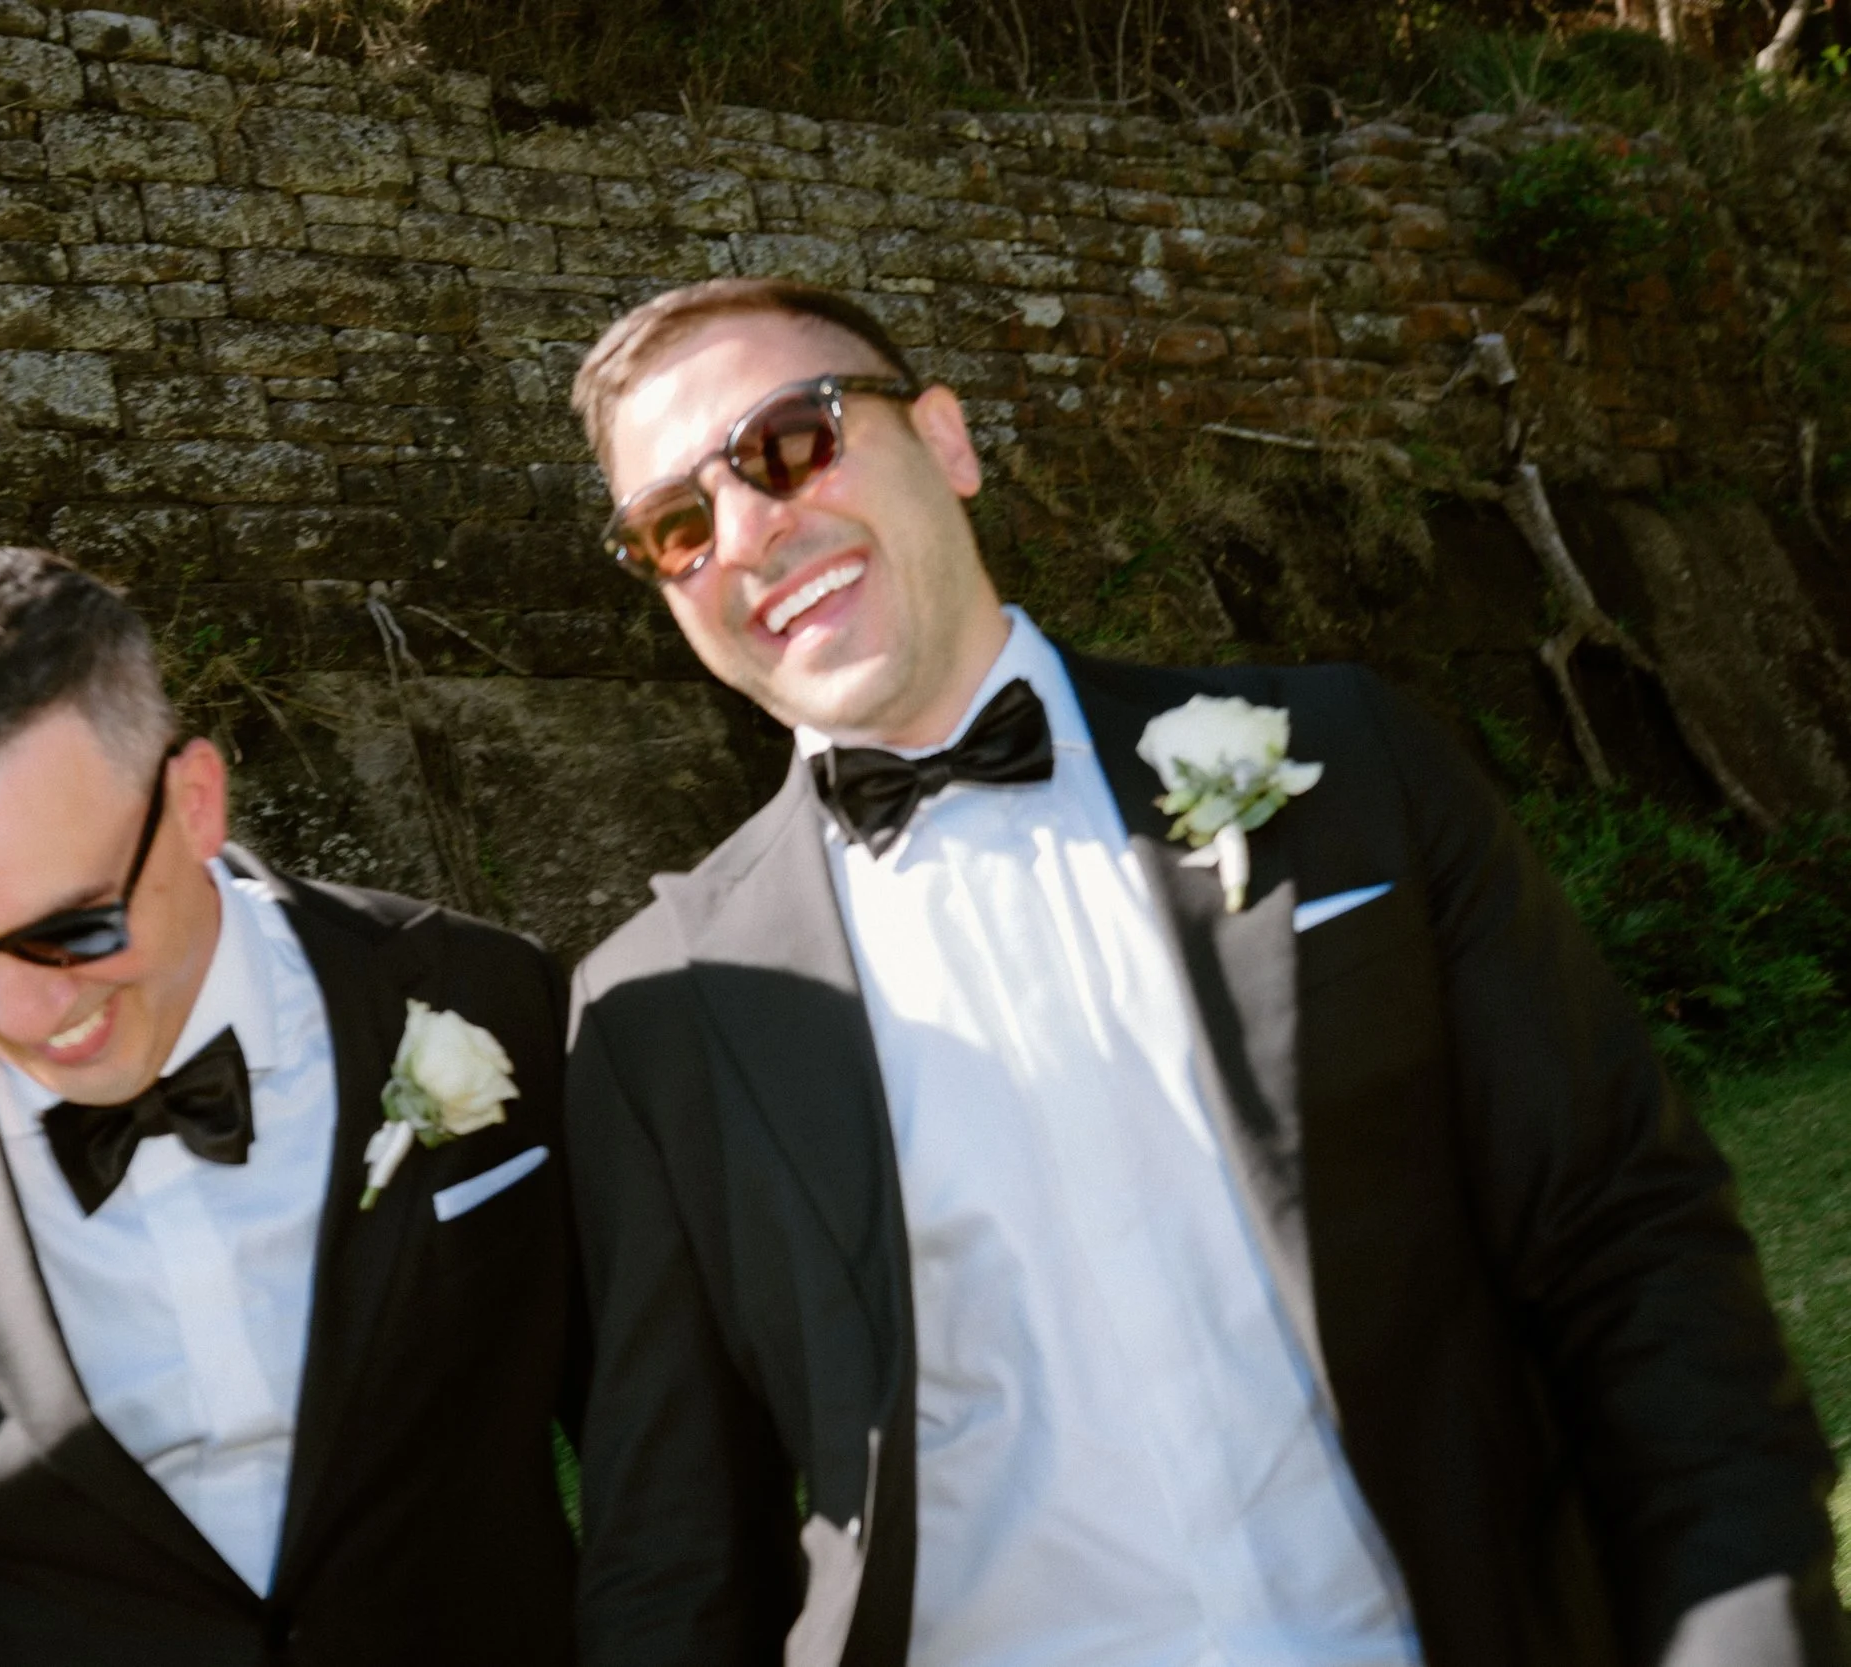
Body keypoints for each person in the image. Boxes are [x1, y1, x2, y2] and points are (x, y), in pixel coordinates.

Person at [561, 278, 1842, 1667]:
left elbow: (1626, 1242)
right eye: (676, 525)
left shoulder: (1348, 763)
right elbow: (676, 1548)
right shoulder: (660, 1009)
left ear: (946, 439)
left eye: (788, 442)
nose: (748, 529)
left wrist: (1744, 1628)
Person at [0, 547, 579, 1667]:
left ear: (194, 800)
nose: (24, 1006)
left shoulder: (492, 999)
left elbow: (665, 1465)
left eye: (75, 927)